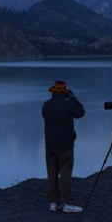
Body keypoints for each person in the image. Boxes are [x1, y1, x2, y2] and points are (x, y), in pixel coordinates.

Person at [42, 80, 85, 213]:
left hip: (50, 146)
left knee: (52, 174)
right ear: (65, 93)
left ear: (53, 92)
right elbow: (81, 112)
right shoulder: (68, 104)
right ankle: (68, 203)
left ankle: (53, 203)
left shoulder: (46, 105)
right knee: (65, 174)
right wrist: (73, 98)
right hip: (65, 146)